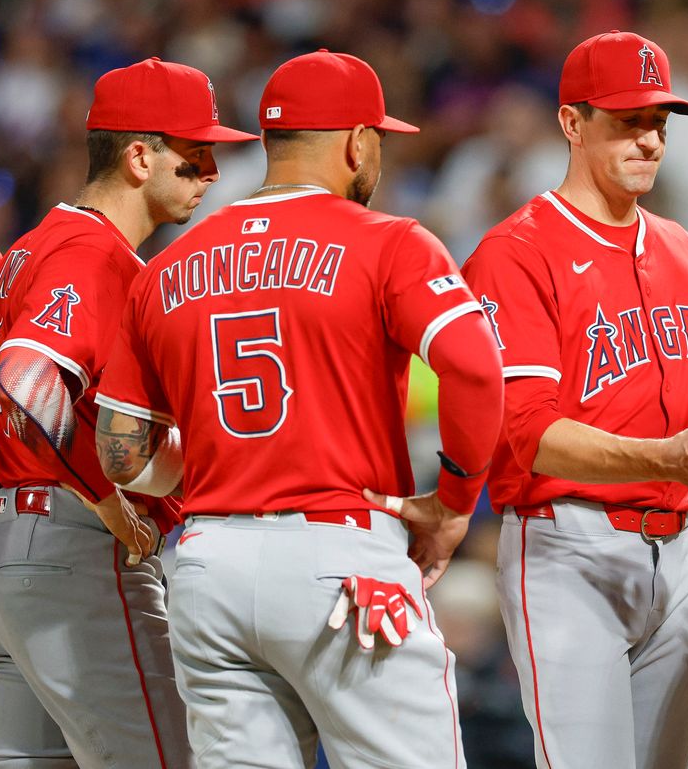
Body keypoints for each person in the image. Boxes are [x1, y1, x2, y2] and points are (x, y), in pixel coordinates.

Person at [93, 49, 504, 769]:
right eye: (378, 137)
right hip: (340, 561)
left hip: (208, 567)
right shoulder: (390, 241)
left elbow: (119, 453)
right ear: (355, 142)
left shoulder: (165, 269)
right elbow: (475, 365)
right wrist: (456, 499)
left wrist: (224, 475)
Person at [461, 29, 688, 769]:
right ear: (572, 122)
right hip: (571, 546)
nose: (649, 140)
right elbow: (527, 433)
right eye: (627, 120)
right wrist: (671, 456)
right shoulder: (516, 251)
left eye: (658, 123)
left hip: (681, 555)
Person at [0, 58, 256, 768]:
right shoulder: (92, 253)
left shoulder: (30, 247)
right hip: (75, 551)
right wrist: (104, 500)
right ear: (140, 155)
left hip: (18, 543)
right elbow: (25, 371)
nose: (212, 173)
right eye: (196, 154)